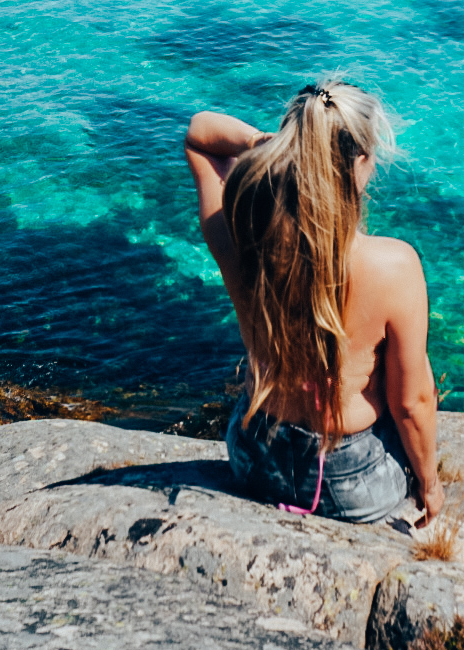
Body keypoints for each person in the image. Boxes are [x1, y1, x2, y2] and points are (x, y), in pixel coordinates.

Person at [184, 81, 444, 524]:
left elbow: (199, 134)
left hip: (253, 458)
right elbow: (411, 404)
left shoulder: (243, 239)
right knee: (418, 376)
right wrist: (430, 484)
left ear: (290, 149)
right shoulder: (393, 267)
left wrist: (265, 143)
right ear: (361, 163)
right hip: (351, 485)